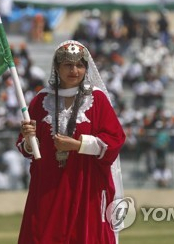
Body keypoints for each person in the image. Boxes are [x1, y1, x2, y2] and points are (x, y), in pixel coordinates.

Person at [17, 40, 126, 244]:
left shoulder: (96, 99)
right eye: (67, 64)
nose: (74, 70)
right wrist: (28, 138)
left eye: (79, 65)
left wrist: (77, 145)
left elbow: (115, 140)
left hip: (85, 184)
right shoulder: (40, 101)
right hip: (48, 186)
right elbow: (26, 148)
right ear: (57, 67)